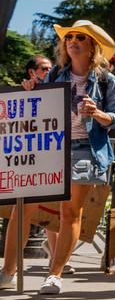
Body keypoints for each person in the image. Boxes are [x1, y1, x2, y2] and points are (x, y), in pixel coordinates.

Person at [0, 21, 115, 294]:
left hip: (84, 149)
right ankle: (7, 271)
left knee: (70, 211)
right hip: (50, 147)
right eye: (69, 37)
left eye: (80, 37)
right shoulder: (55, 74)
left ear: (92, 46)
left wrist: (98, 114)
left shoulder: (105, 79)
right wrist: (31, 91)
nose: (73, 41)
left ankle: (54, 275)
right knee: (23, 207)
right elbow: (39, 109)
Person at [21, 56, 57, 261]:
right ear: (32, 73)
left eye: (51, 69)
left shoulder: (58, 91)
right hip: (29, 161)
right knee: (23, 213)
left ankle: (56, 255)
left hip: (52, 157)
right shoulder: (23, 92)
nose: (48, 72)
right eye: (44, 69)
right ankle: (12, 264)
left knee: (54, 209)